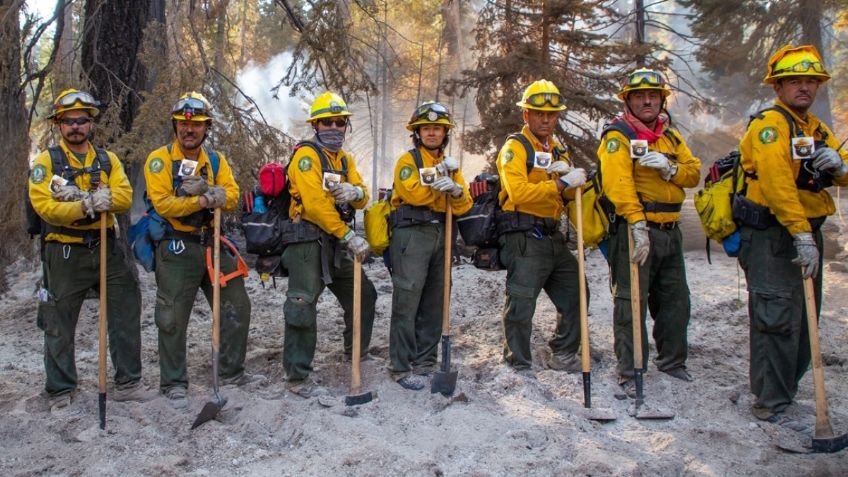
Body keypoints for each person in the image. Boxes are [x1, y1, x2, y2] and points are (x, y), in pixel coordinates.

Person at [738, 45, 848, 424]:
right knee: (776, 315)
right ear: (779, 86)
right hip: (774, 235)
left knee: (805, 316)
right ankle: (770, 403)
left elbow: (844, 174)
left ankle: (786, 392)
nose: (804, 88)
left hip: (806, 231)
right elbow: (777, 185)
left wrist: (839, 165)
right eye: (795, 81)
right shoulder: (770, 126)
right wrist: (801, 233)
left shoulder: (815, 128)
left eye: (810, 81)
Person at [29, 89, 153, 411]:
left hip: (106, 248)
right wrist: (84, 206)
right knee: (59, 320)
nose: (75, 126)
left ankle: (128, 382)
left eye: (81, 120)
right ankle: (59, 389)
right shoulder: (46, 163)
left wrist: (108, 199)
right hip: (65, 250)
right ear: (59, 125)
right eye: (68, 121)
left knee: (126, 307)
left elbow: (125, 196)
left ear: (90, 124)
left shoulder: (107, 160)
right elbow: (44, 206)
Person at [144, 92, 261, 409]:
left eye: (196, 124)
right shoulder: (159, 160)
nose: (189, 129)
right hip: (176, 245)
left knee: (237, 303)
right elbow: (164, 203)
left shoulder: (216, 161)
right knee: (171, 316)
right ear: (175, 126)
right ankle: (173, 382)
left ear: (206, 127)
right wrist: (202, 200)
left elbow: (233, 194)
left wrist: (213, 192)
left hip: (210, 243)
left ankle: (231, 371)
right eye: (183, 123)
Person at [597, 69, 701, 394]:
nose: (647, 101)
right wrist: (636, 222)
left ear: (661, 100)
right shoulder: (618, 136)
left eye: (653, 96)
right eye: (639, 96)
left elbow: (693, 172)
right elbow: (618, 183)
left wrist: (670, 168)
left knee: (675, 299)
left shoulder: (670, 137)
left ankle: (672, 362)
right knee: (631, 302)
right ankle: (630, 370)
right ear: (628, 100)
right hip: (634, 229)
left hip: (670, 230)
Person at [282, 92, 376, 397]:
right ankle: (297, 375)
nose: (334, 128)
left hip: (336, 243)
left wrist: (354, 193)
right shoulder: (306, 157)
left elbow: (364, 193)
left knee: (365, 295)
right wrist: (348, 235)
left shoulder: (345, 160)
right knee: (302, 305)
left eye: (339, 122)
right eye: (327, 122)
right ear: (316, 125)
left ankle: (355, 353)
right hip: (307, 241)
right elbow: (314, 205)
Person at [495, 80, 588, 377]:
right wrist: (559, 183)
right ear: (526, 115)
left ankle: (562, 351)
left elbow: (564, 195)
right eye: (538, 113)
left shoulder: (558, 149)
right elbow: (519, 192)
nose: (546, 119)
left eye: (551, 114)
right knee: (521, 302)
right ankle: (517, 363)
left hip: (553, 236)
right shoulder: (515, 147)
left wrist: (575, 182)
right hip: (523, 236)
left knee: (577, 291)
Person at [387, 102, 473, 390]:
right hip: (412, 233)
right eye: (427, 128)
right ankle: (400, 366)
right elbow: (412, 192)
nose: (432, 133)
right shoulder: (408, 161)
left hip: (441, 232)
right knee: (407, 299)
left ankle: (425, 360)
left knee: (437, 299)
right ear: (417, 132)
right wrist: (440, 181)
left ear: (445, 132)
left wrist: (457, 189)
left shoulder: (450, 165)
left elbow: (465, 204)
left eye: (437, 128)